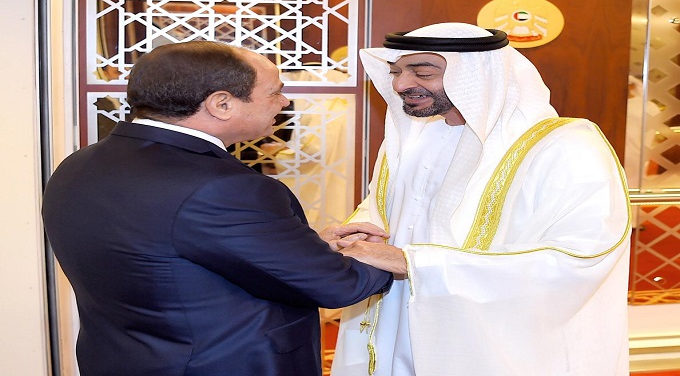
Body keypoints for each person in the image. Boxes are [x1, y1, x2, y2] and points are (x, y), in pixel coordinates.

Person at [41, 41, 394, 376]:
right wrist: (400, 259)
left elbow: (169, 251)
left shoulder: (78, 165)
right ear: (221, 104)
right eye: (274, 92)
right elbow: (337, 285)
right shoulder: (223, 186)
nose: (284, 102)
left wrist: (303, 248)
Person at [331, 23, 631, 376]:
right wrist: (357, 233)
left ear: (476, 76)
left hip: (499, 347)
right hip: (397, 326)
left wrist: (415, 263)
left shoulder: (565, 146)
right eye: (395, 72)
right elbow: (387, 211)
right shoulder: (411, 139)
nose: (400, 85)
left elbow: (581, 257)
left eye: (423, 73)